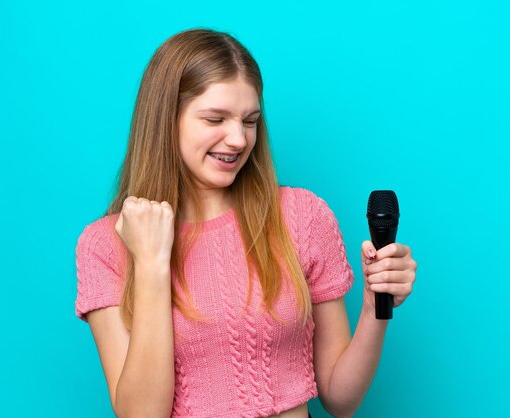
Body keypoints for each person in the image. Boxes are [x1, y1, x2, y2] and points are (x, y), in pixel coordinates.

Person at [74, 28, 417, 418]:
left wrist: (375, 306)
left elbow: (341, 399)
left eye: (249, 120)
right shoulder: (106, 245)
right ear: (165, 119)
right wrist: (152, 264)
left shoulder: (302, 216)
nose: (238, 139)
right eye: (215, 118)